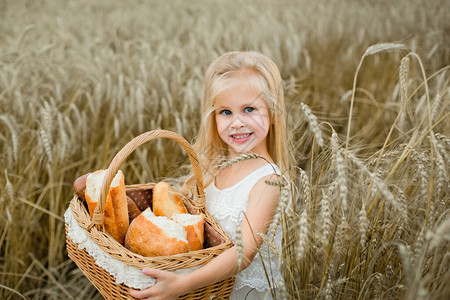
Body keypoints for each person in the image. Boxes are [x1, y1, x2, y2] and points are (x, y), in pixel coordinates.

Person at [130, 51, 293, 300]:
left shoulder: (268, 182)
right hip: (208, 292)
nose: (236, 122)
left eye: (249, 109)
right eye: (225, 112)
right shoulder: (213, 167)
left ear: (272, 111)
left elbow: (244, 252)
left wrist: (183, 284)